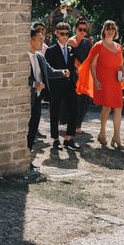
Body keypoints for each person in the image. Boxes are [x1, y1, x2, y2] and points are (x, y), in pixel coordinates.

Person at [76, 20, 124, 148]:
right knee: (107, 107)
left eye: (113, 29)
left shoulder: (119, 47)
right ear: (103, 31)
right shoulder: (98, 45)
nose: (110, 31)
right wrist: (96, 81)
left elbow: (121, 65)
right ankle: (102, 133)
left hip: (116, 81)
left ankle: (117, 136)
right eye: (108, 29)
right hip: (103, 80)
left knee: (119, 107)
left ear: (115, 32)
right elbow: (92, 65)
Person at [28, 29, 69, 169]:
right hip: (25, 100)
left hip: (38, 99)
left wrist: (62, 72)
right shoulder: (22, 57)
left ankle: (27, 158)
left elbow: (49, 71)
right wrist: (34, 84)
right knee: (25, 130)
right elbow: (22, 78)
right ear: (31, 41)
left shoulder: (40, 57)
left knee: (33, 129)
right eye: (40, 39)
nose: (43, 42)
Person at [45, 22, 80, 151]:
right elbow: (48, 70)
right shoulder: (50, 50)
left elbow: (73, 67)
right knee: (54, 112)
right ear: (56, 34)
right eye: (62, 34)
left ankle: (69, 138)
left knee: (75, 109)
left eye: (66, 34)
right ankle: (55, 139)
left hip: (70, 85)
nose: (65, 36)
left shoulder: (71, 50)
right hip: (56, 86)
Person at [67, 19, 93, 133]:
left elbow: (91, 58)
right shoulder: (71, 41)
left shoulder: (88, 42)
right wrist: (80, 69)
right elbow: (71, 58)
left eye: (84, 29)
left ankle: (79, 125)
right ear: (75, 29)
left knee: (85, 99)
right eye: (80, 29)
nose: (82, 31)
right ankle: (73, 124)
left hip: (86, 73)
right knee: (75, 99)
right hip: (74, 73)